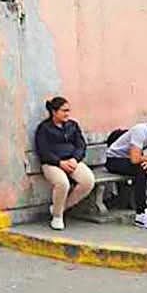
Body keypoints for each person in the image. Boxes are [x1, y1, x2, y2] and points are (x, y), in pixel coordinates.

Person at [34, 97, 93, 231]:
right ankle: (57, 216)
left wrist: (75, 159)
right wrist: (59, 162)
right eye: (64, 111)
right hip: (52, 164)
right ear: (54, 112)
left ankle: (60, 207)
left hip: (72, 161)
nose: (67, 114)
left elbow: (81, 145)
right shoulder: (44, 128)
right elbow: (43, 151)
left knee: (88, 181)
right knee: (62, 183)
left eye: (68, 111)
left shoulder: (73, 126)